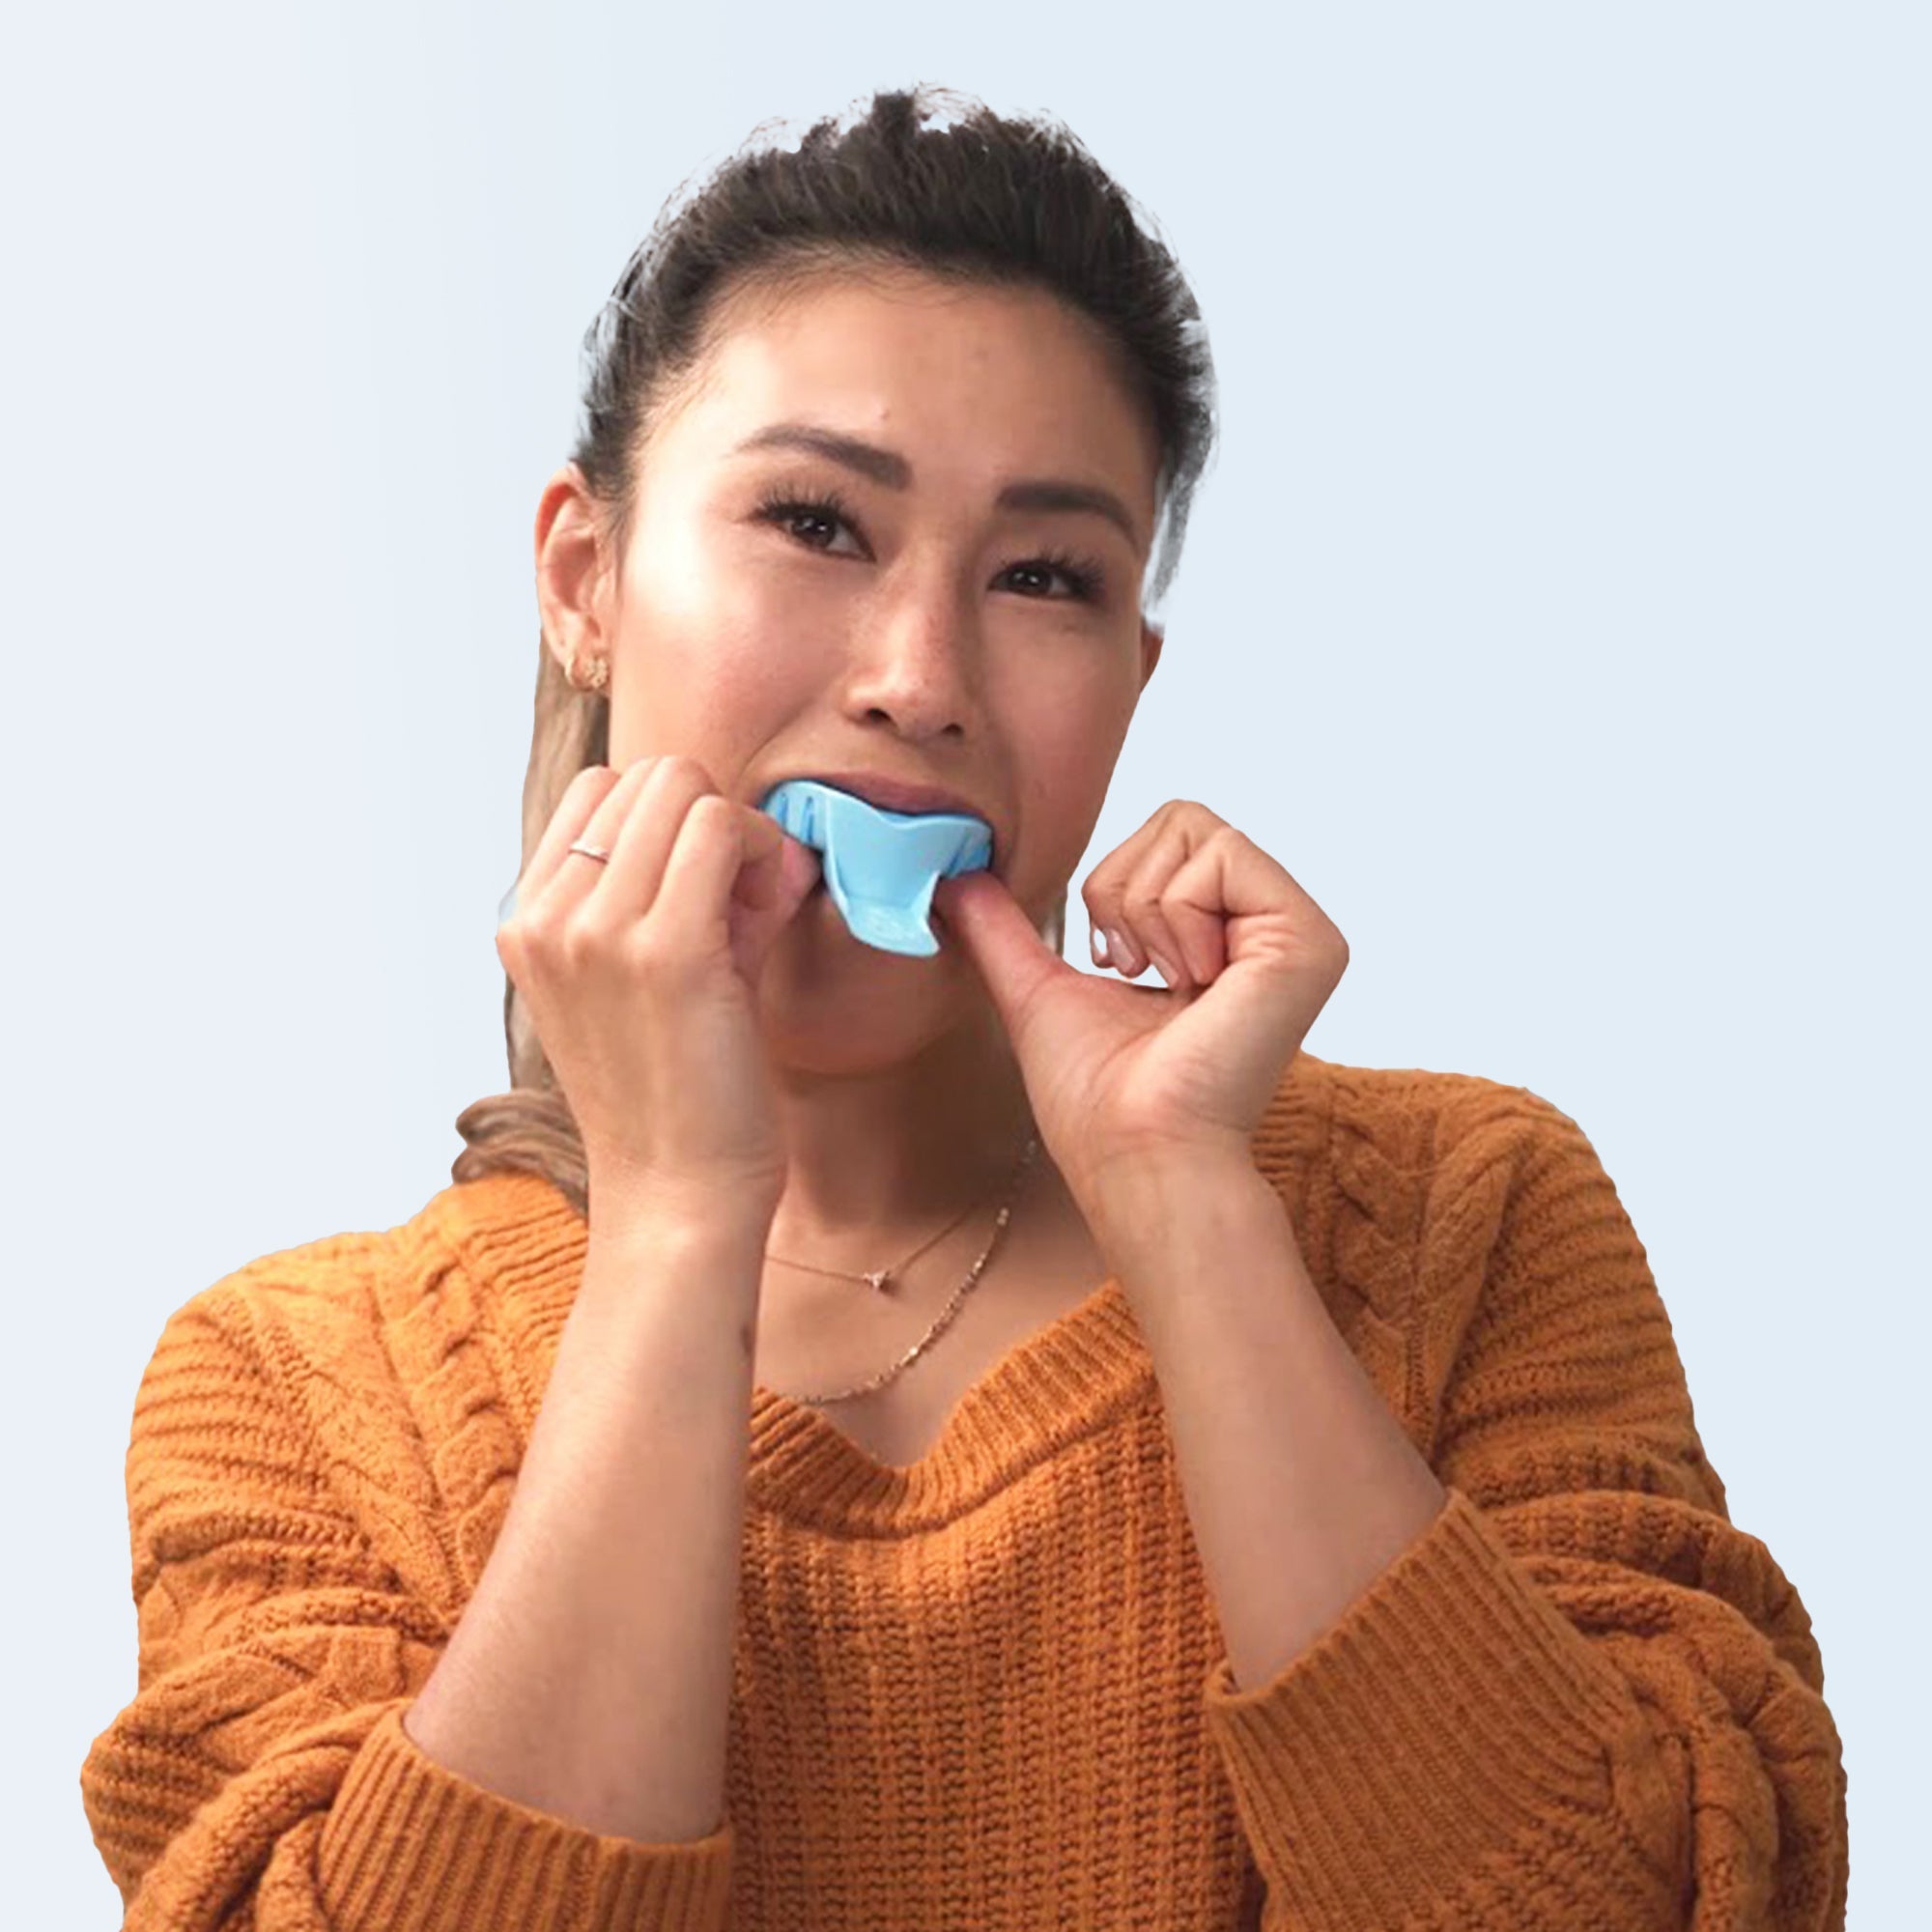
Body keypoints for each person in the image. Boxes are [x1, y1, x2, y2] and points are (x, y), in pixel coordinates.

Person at [79, 84, 1848, 1932]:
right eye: (817, 524)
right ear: (584, 581)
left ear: (1130, 672)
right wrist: (681, 1224)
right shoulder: (286, 1382)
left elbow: (1656, 1900)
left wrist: (1189, 1208)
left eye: (1043, 578)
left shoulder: (1468, 1211)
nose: (921, 681)